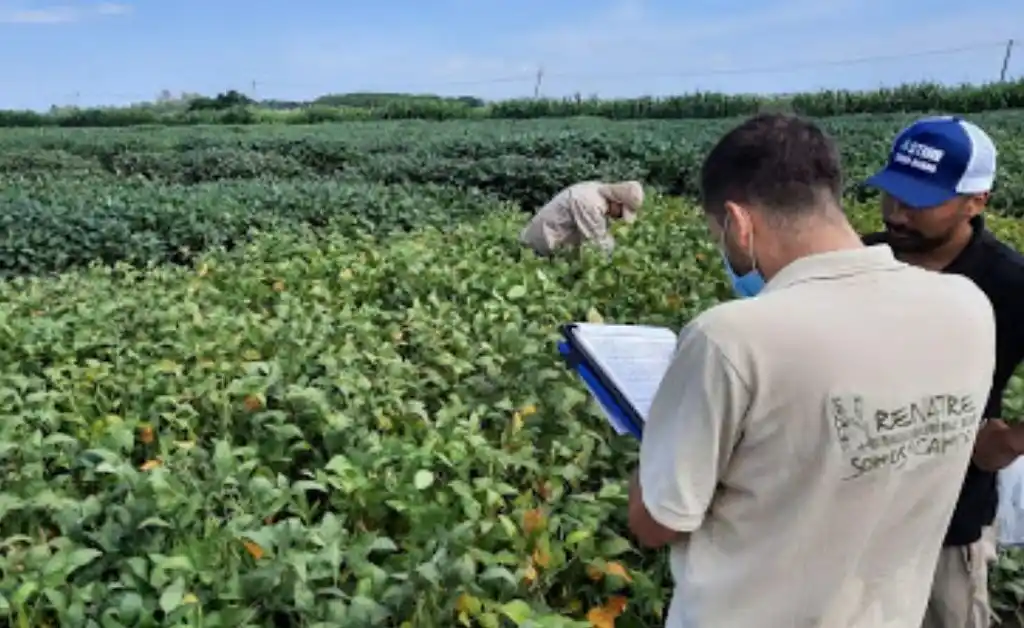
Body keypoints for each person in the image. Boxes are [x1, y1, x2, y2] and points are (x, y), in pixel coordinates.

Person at [626, 113, 997, 628]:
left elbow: (657, 522)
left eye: (718, 235)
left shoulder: (732, 338)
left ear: (738, 221)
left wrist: (657, 440)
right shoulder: (969, 306)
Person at [862, 115, 1024, 628]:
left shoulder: (1008, 282)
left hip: (947, 516)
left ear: (977, 201)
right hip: (849, 505)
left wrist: (1011, 440)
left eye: (920, 201)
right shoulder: (863, 259)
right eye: (891, 195)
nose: (897, 214)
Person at [518, 180, 644, 257]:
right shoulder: (590, 204)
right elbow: (598, 244)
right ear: (616, 202)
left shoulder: (597, 189)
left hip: (548, 239)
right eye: (621, 212)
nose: (620, 217)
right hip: (539, 245)